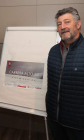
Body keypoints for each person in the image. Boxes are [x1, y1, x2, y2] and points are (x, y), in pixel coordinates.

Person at [46, 7, 84, 140]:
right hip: (54, 121)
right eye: (59, 24)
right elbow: (51, 85)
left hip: (78, 126)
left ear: (78, 24)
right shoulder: (53, 51)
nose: (63, 27)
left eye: (67, 22)